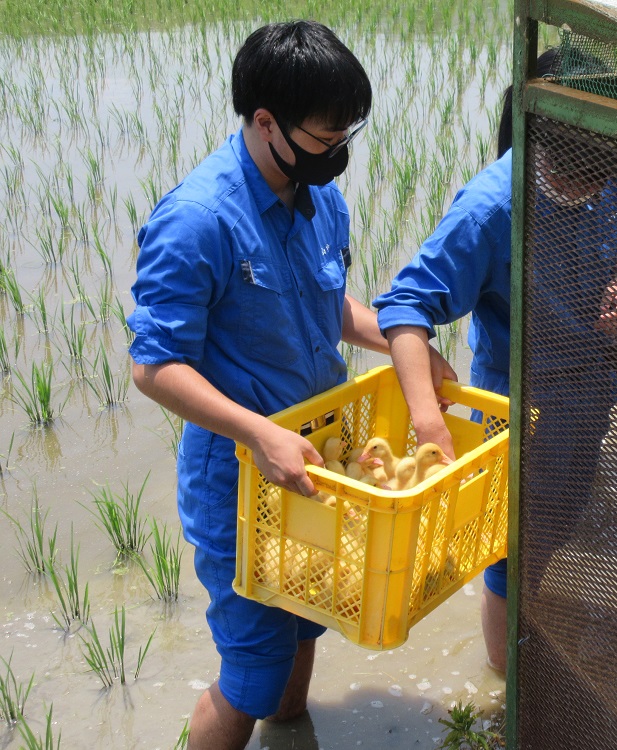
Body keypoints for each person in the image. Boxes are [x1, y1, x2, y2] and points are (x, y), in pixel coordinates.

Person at [127, 21, 453, 749]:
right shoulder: (197, 221)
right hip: (240, 472)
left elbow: (327, 307)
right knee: (251, 672)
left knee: (306, 627)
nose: (337, 152)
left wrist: (406, 348)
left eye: (346, 135)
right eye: (324, 136)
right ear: (266, 121)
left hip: (317, 459)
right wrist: (257, 433)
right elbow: (153, 366)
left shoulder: (322, 200)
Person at [373, 48, 617, 674]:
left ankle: (528, 620)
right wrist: (429, 423)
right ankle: (506, 680)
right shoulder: (491, 209)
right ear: (544, 148)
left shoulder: (614, 168)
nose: (595, 191)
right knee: (508, 547)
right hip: (520, 396)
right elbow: (404, 308)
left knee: (558, 518)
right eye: (578, 181)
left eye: (602, 180)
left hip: (590, 384)